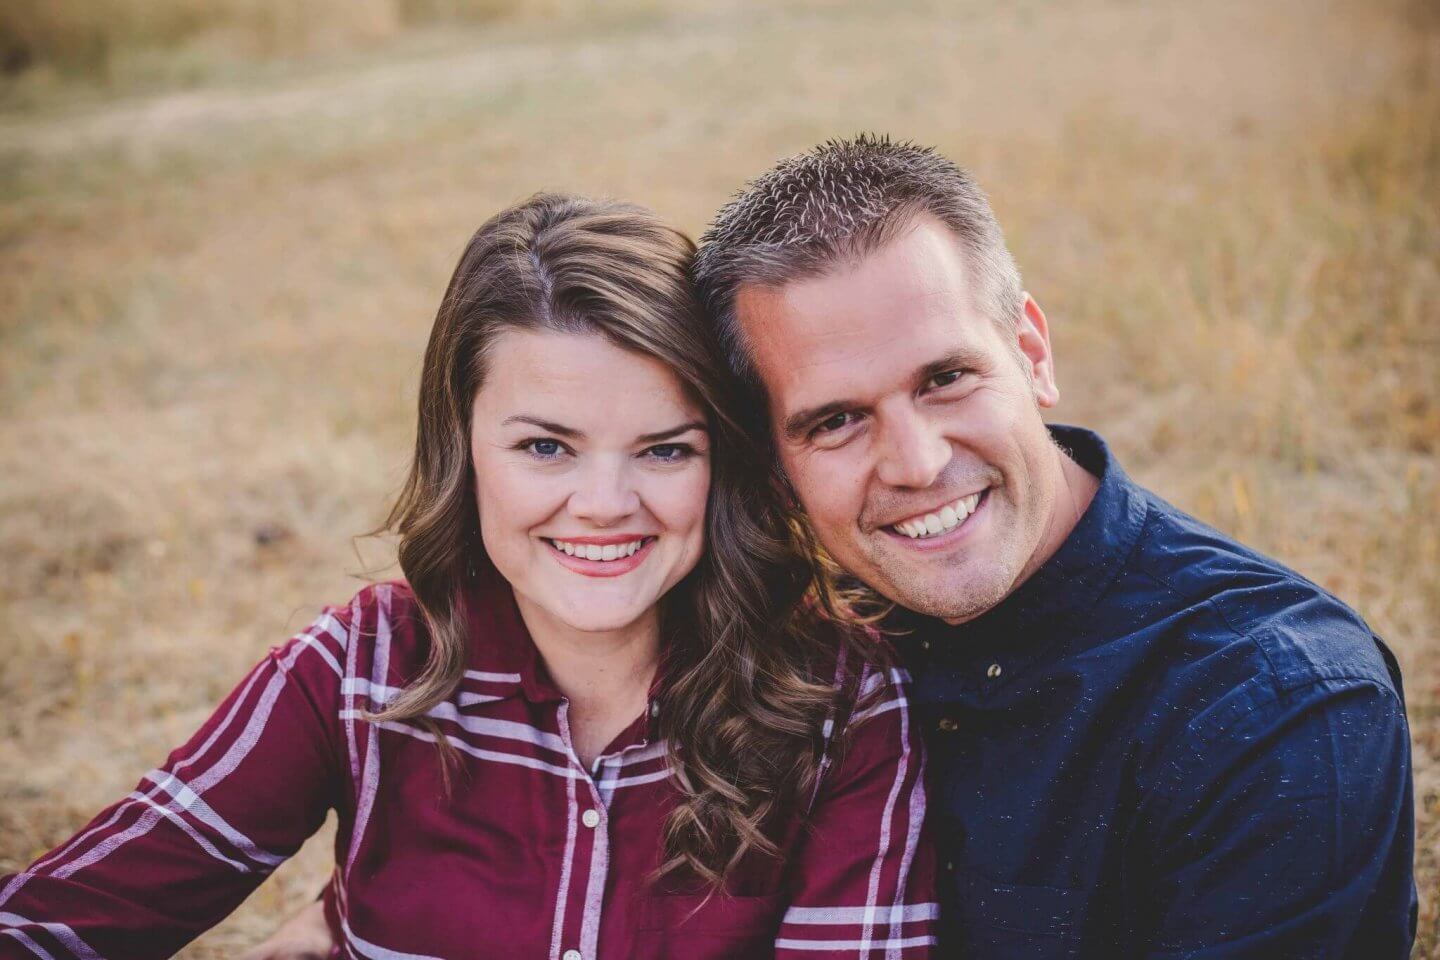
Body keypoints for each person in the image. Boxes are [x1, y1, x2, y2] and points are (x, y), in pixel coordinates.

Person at [0, 194, 937, 960]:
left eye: (662, 449)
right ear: (464, 446)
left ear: (722, 462)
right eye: (545, 446)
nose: (605, 503)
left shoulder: (840, 706)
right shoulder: (359, 672)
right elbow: (58, 922)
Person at [689, 135, 1417, 957]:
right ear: (775, 470)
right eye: (836, 421)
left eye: (945, 378)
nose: (918, 462)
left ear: (1031, 352)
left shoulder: (1271, 708)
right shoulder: (778, 653)